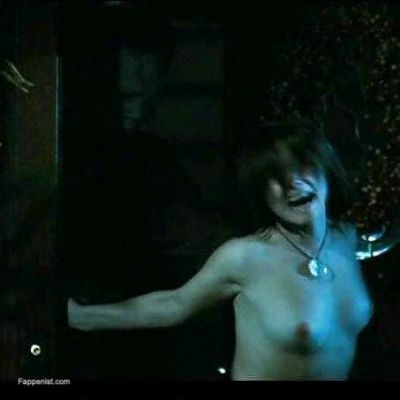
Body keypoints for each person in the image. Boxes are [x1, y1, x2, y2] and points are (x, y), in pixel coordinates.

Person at [68, 121, 374, 380]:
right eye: (275, 176)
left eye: (301, 165)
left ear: (325, 167)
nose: (292, 182)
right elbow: (173, 305)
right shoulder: (245, 256)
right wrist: (80, 316)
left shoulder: (348, 238)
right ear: (261, 191)